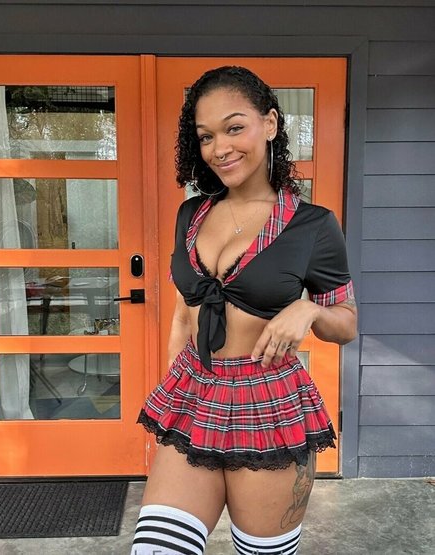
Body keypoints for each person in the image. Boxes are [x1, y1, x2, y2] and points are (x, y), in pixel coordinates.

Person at [130, 66, 357, 555]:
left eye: (235, 128)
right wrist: (174, 392)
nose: (220, 148)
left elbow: (347, 323)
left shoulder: (313, 226)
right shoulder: (192, 215)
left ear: (270, 124)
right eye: (206, 136)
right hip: (195, 394)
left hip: (268, 404)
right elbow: (183, 313)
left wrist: (308, 311)